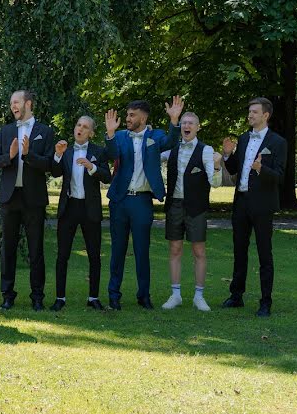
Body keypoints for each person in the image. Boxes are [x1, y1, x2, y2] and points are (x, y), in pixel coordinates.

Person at [104, 97, 183, 310]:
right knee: (118, 250)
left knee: (142, 250)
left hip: (142, 201)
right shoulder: (119, 136)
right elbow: (111, 154)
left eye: (132, 115)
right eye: (127, 114)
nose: (127, 118)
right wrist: (110, 134)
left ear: (143, 117)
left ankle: (143, 295)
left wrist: (174, 121)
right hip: (120, 201)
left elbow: (171, 142)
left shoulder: (155, 136)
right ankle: (113, 295)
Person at [0, 90, 55, 311]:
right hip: (9, 198)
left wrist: (28, 155)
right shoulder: (6, 131)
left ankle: (37, 297)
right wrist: (11, 156)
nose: (12, 106)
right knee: (8, 249)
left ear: (28, 103)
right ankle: (7, 295)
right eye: (10, 103)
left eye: (16, 102)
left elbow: (50, 166)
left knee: (36, 251)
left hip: (33, 199)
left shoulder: (45, 131)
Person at [220, 97, 287, 317]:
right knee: (239, 251)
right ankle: (236, 296)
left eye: (254, 112)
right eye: (249, 112)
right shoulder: (243, 138)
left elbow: (279, 176)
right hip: (241, 202)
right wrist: (228, 154)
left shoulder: (278, 142)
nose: (250, 115)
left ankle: (265, 302)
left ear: (265, 115)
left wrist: (260, 169)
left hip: (263, 205)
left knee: (264, 254)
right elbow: (233, 169)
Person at [159, 112, 222, 312]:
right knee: (175, 249)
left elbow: (216, 183)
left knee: (199, 251)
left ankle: (199, 296)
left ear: (197, 127)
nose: (186, 125)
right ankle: (175, 295)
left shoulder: (206, 150)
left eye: (190, 123)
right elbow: (149, 155)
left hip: (196, 207)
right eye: (184, 122)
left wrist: (218, 165)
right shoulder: (171, 150)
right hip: (174, 205)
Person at [49, 116, 111, 311]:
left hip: (89, 208)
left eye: (85, 127)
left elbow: (107, 176)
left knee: (94, 255)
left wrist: (91, 167)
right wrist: (57, 156)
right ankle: (60, 298)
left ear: (91, 133)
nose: (80, 129)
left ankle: (93, 297)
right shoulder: (65, 150)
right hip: (69, 208)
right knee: (62, 255)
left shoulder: (98, 151)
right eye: (78, 125)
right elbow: (55, 172)